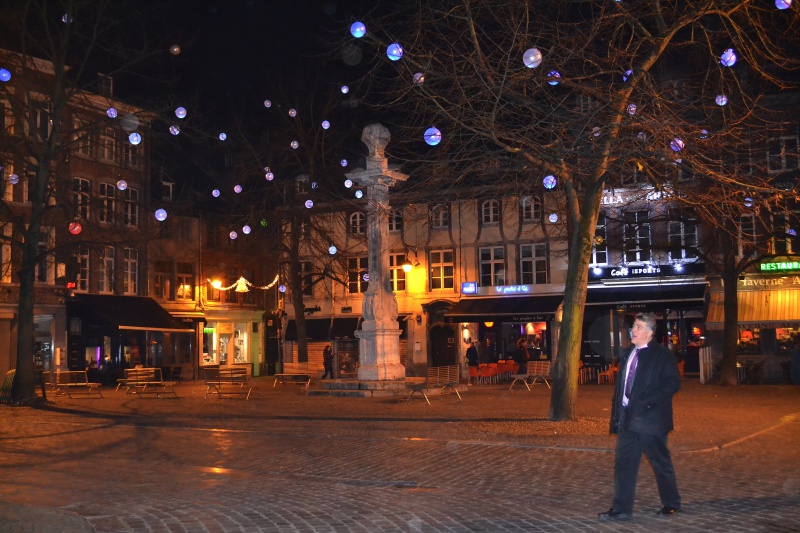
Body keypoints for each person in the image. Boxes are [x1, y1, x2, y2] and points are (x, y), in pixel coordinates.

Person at [599, 312, 682, 520]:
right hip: (627, 420)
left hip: (650, 421)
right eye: (633, 326)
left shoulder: (662, 355)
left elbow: (673, 384)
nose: (632, 330)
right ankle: (621, 509)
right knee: (624, 465)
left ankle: (672, 502)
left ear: (650, 332)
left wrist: (647, 401)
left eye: (637, 327)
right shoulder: (629, 353)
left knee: (660, 462)